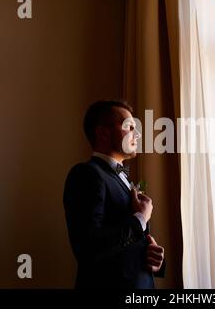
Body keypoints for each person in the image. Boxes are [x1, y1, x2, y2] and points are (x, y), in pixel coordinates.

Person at [63, 100, 165, 288]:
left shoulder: (123, 179)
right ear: (103, 133)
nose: (138, 134)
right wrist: (140, 218)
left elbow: (122, 245)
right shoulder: (86, 174)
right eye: (129, 126)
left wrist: (152, 258)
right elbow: (88, 248)